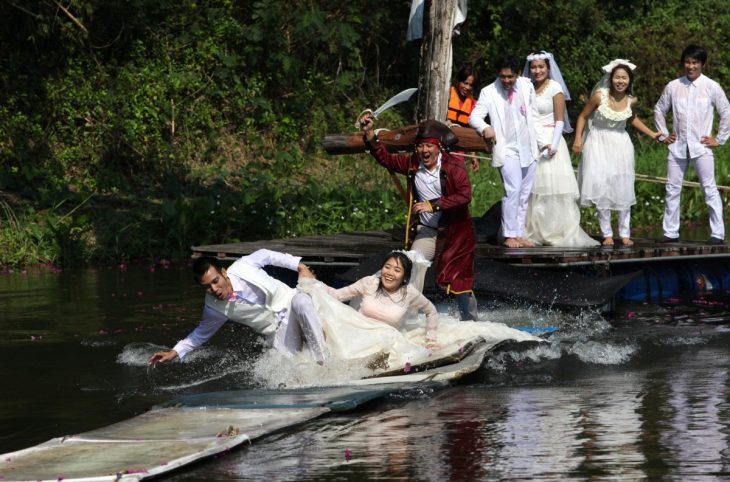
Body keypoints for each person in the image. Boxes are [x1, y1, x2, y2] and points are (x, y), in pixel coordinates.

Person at [358, 115, 478, 321]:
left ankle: (471, 321)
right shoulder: (413, 165)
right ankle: (407, 319)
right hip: (428, 230)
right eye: (420, 146)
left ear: (438, 147)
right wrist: (370, 135)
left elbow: (464, 195)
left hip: (455, 232)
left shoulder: (454, 166)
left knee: (458, 280)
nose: (424, 151)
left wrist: (433, 204)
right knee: (413, 266)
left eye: (428, 146)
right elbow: (386, 158)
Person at [148, 249, 329, 366]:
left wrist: (299, 266)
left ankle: (324, 363)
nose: (214, 289)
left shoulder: (244, 266)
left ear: (224, 273)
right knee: (290, 370)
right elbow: (199, 335)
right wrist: (174, 352)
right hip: (278, 330)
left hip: (291, 303)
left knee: (302, 302)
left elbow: (268, 255)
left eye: (215, 281)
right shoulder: (213, 309)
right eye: (207, 287)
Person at [572, 59, 661, 247]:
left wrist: (653, 134)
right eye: (617, 77)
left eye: (624, 78)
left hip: (621, 144)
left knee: (623, 186)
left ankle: (625, 232)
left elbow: (632, 119)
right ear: (611, 78)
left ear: (629, 80)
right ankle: (607, 234)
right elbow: (583, 116)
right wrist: (578, 139)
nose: (621, 81)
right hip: (598, 143)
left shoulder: (632, 100)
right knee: (602, 186)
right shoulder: (599, 96)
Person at [521, 51, 599, 248]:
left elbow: (559, 120)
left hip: (550, 141)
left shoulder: (555, 88)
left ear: (548, 68)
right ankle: (534, 231)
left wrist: (553, 146)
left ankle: (555, 231)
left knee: (553, 188)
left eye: (541, 67)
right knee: (533, 190)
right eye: (534, 67)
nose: (537, 71)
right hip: (532, 141)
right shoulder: (527, 87)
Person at [654, 45, 730, 245]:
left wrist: (719, 139)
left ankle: (717, 233)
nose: (691, 66)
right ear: (683, 63)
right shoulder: (673, 86)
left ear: (702, 64)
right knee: (672, 188)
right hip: (678, 146)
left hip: (701, 146)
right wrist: (662, 135)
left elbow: (726, 112)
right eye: (688, 62)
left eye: (695, 62)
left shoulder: (712, 86)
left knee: (709, 188)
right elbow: (659, 109)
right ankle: (670, 232)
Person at [469, 54, 543, 249]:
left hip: (528, 147)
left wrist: (543, 142)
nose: (507, 80)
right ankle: (509, 234)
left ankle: (519, 234)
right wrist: (485, 128)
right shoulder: (489, 92)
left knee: (525, 193)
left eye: (510, 76)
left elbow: (534, 115)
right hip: (506, 148)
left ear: (518, 74)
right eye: (503, 76)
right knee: (513, 190)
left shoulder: (527, 85)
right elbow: (474, 117)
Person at [327, 251, 439, 348]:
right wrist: (313, 285)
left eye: (397, 270)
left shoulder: (409, 292)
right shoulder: (370, 282)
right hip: (358, 336)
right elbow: (337, 295)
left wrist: (431, 339)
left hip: (387, 343)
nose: (390, 273)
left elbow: (431, 310)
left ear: (405, 277)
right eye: (387, 267)